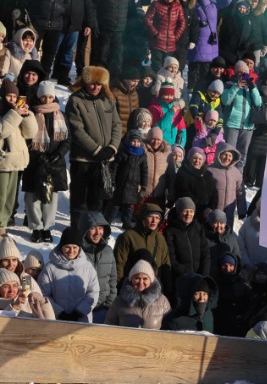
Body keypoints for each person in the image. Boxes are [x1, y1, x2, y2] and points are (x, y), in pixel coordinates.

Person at [65, 65, 121, 229]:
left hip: (104, 161)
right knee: (80, 200)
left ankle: (93, 231)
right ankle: (77, 231)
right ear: (85, 82)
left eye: (99, 84)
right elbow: (77, 130)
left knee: (97, 200)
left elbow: (117, 125)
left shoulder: (108, 100)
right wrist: (96, 150)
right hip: (82, 159)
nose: (96, 87)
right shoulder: (76, 100)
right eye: (92, 84)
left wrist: (112, 147)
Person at [23, 79, 69, 244]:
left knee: (51, 198)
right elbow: (25, 136)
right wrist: (36, 154)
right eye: (44, 97)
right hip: (34, 162)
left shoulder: (60, 114)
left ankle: (47, 227)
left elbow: (66, 139)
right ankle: (36, 227)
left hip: (54, 163)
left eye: (50, 97)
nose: (47, 100)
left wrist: (58, 154)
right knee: (33, 197)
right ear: (39, 96)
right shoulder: (31, 113)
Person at [38, 228, 101, 323]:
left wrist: (79, 312)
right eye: (67, 247)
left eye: (75, 247)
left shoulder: (88, 267)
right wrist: (59, 312)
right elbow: (44, 294)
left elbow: (93, 292)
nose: (71, 251)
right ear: (61, 247)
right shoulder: (50, 268)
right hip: (57, 319)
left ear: (79, 248)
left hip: (82, 319)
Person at [0, 79, 36, 236]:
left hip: (16, 160)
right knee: (1, 197)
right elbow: (1, 131)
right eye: (8, 96)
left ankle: (2, 224)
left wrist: (27, 115)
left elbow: (31, 133)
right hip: (3, 160)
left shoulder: (15, 112)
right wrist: (14, 114)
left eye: (14, 97)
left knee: (9, 198)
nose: (12, 100)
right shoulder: (5, 111)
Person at [114, 203, 172, 291]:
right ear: (143, 218)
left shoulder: (160, 238)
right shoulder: (128, 236)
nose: (154, 221)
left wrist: (167, 287)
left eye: (157, 218)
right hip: (133, 286)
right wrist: (120, 286)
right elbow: (119, 263)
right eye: (150, 217)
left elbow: (165, 263)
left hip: (154, 288)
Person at [106, 260, 170, 329]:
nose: (141, 282)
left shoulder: (163, 301)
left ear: (151, 280)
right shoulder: (119, 301)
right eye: (137, 278)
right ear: (131, 279)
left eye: (145, 278)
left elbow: (169, 329)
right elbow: (109, 327)